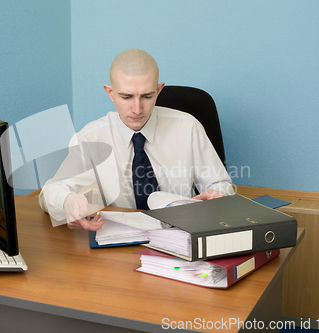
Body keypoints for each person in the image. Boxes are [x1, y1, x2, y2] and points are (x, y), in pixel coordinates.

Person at [39, 48, 233, 230]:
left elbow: (221, 185)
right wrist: (68, 202)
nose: (137, 109)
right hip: (119, 240)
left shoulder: (188, 127)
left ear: (158, 91)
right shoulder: (91, 138)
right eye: (126, 97)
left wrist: (217, 196)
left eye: (147, 96)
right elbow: (49, 192)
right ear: (110, 93)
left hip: (181, 234)